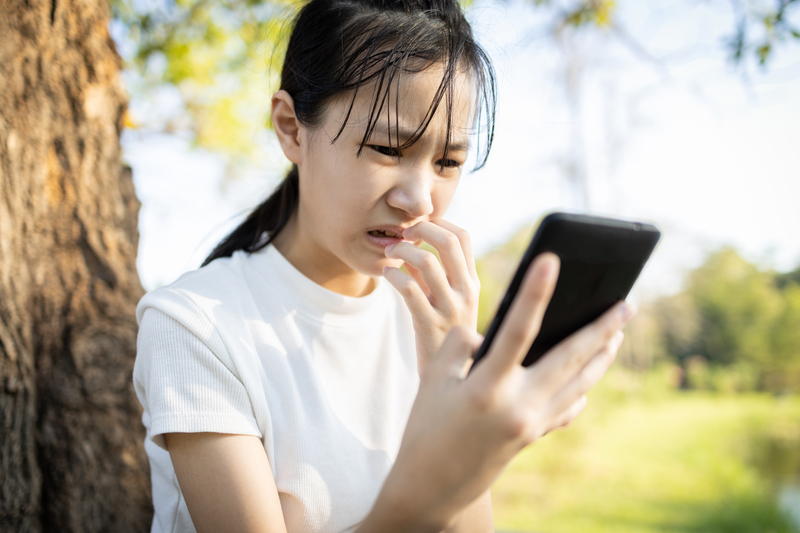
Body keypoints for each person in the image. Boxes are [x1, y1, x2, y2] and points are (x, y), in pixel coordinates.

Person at [132, 0, 635, 531]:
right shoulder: (196, 326)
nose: (419, 201)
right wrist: (451, 466)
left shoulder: (431, 324)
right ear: (291, 128)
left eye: (448, 162)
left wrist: (451, 377)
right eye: (387, 149)